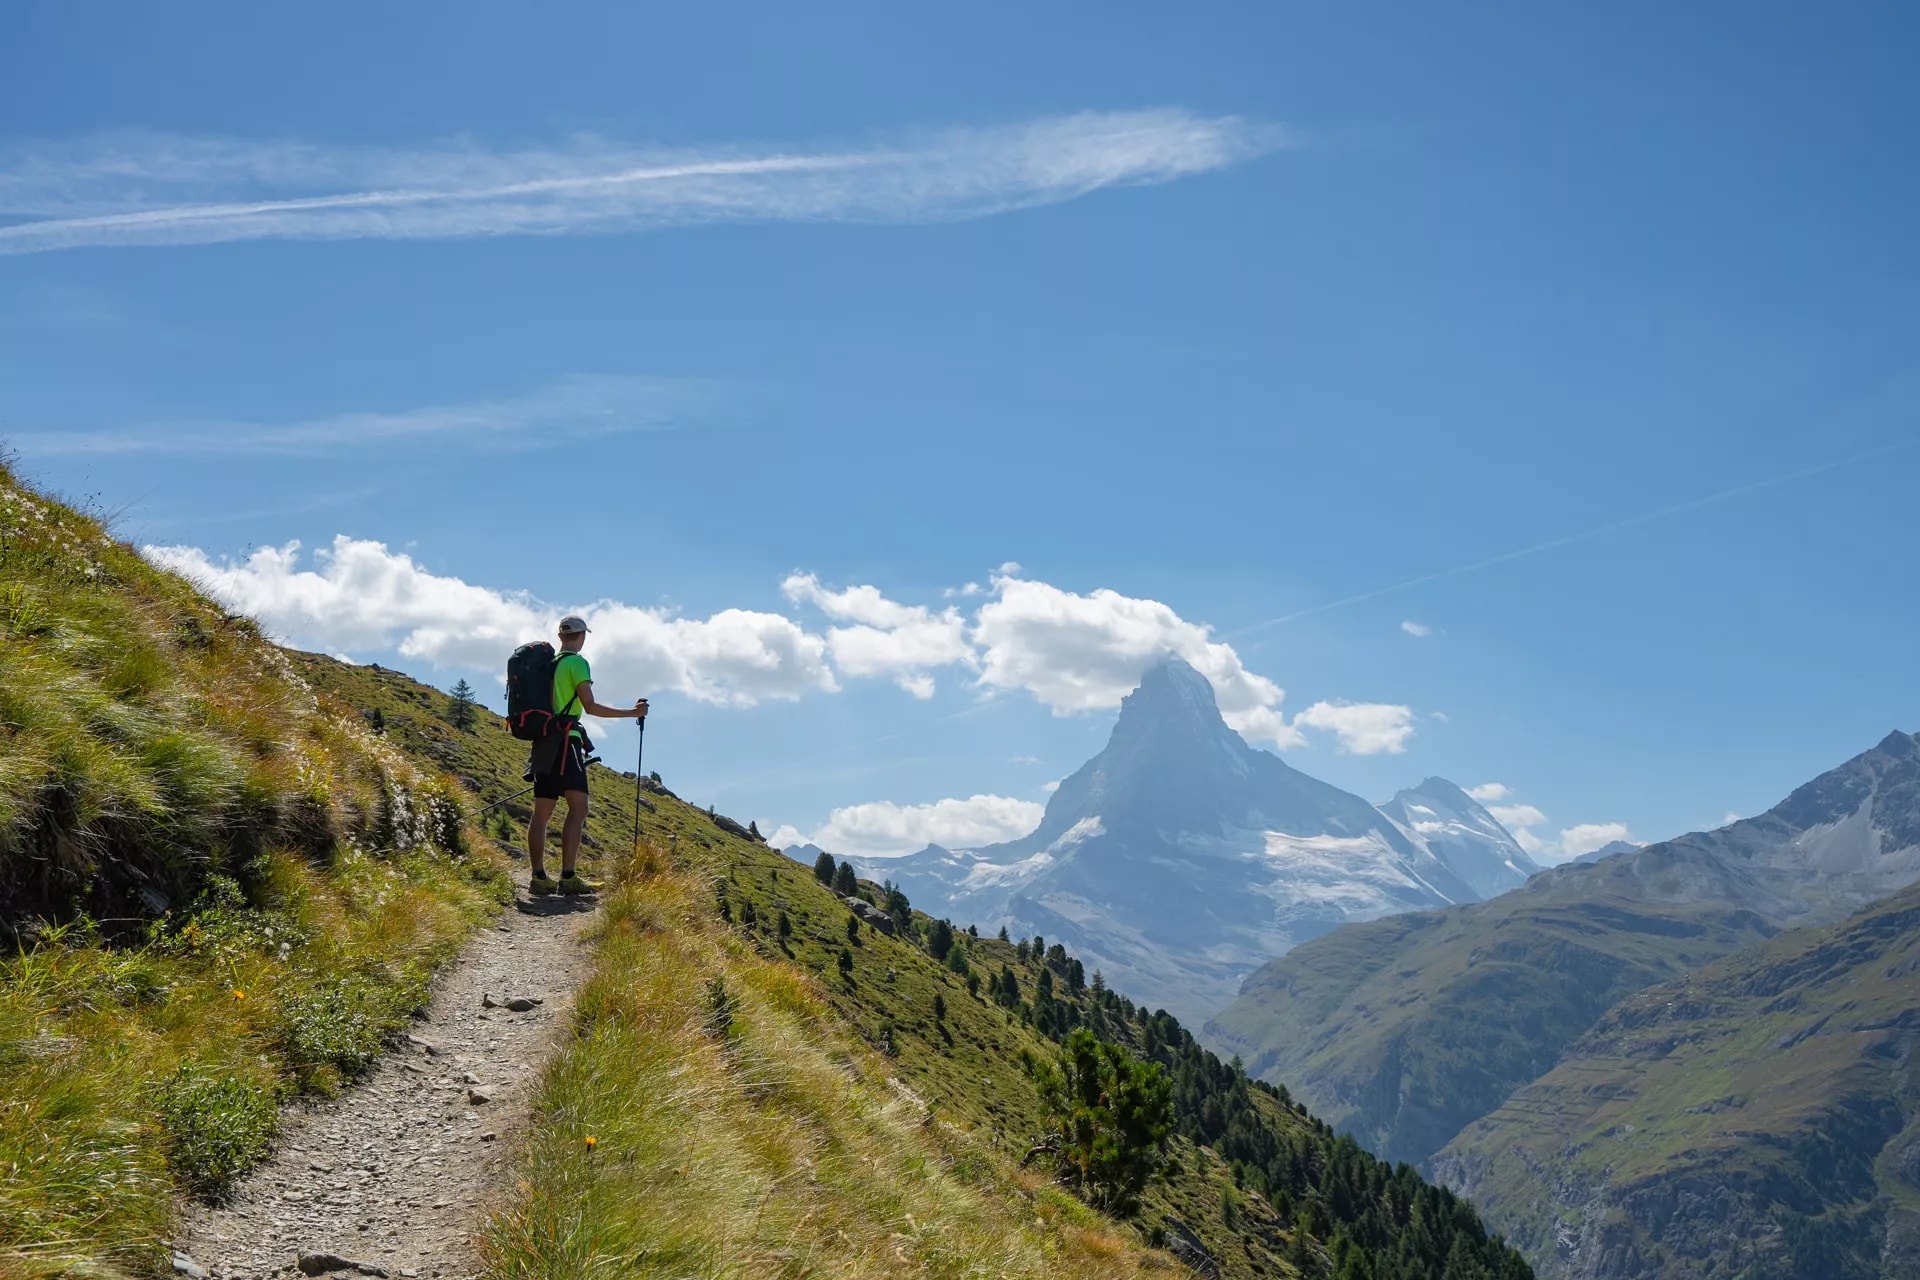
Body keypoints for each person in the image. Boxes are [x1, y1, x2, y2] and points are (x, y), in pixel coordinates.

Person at [528, 614, 647, 896]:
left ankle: (538, 877)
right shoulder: (577, 663)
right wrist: (633, 713)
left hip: (543, 742)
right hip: (567, 741)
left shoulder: (549, 665)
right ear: (581, 636)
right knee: (578, 807)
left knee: (542, 812)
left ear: (560, 637)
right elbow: (590, 706)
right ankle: (568, 877)